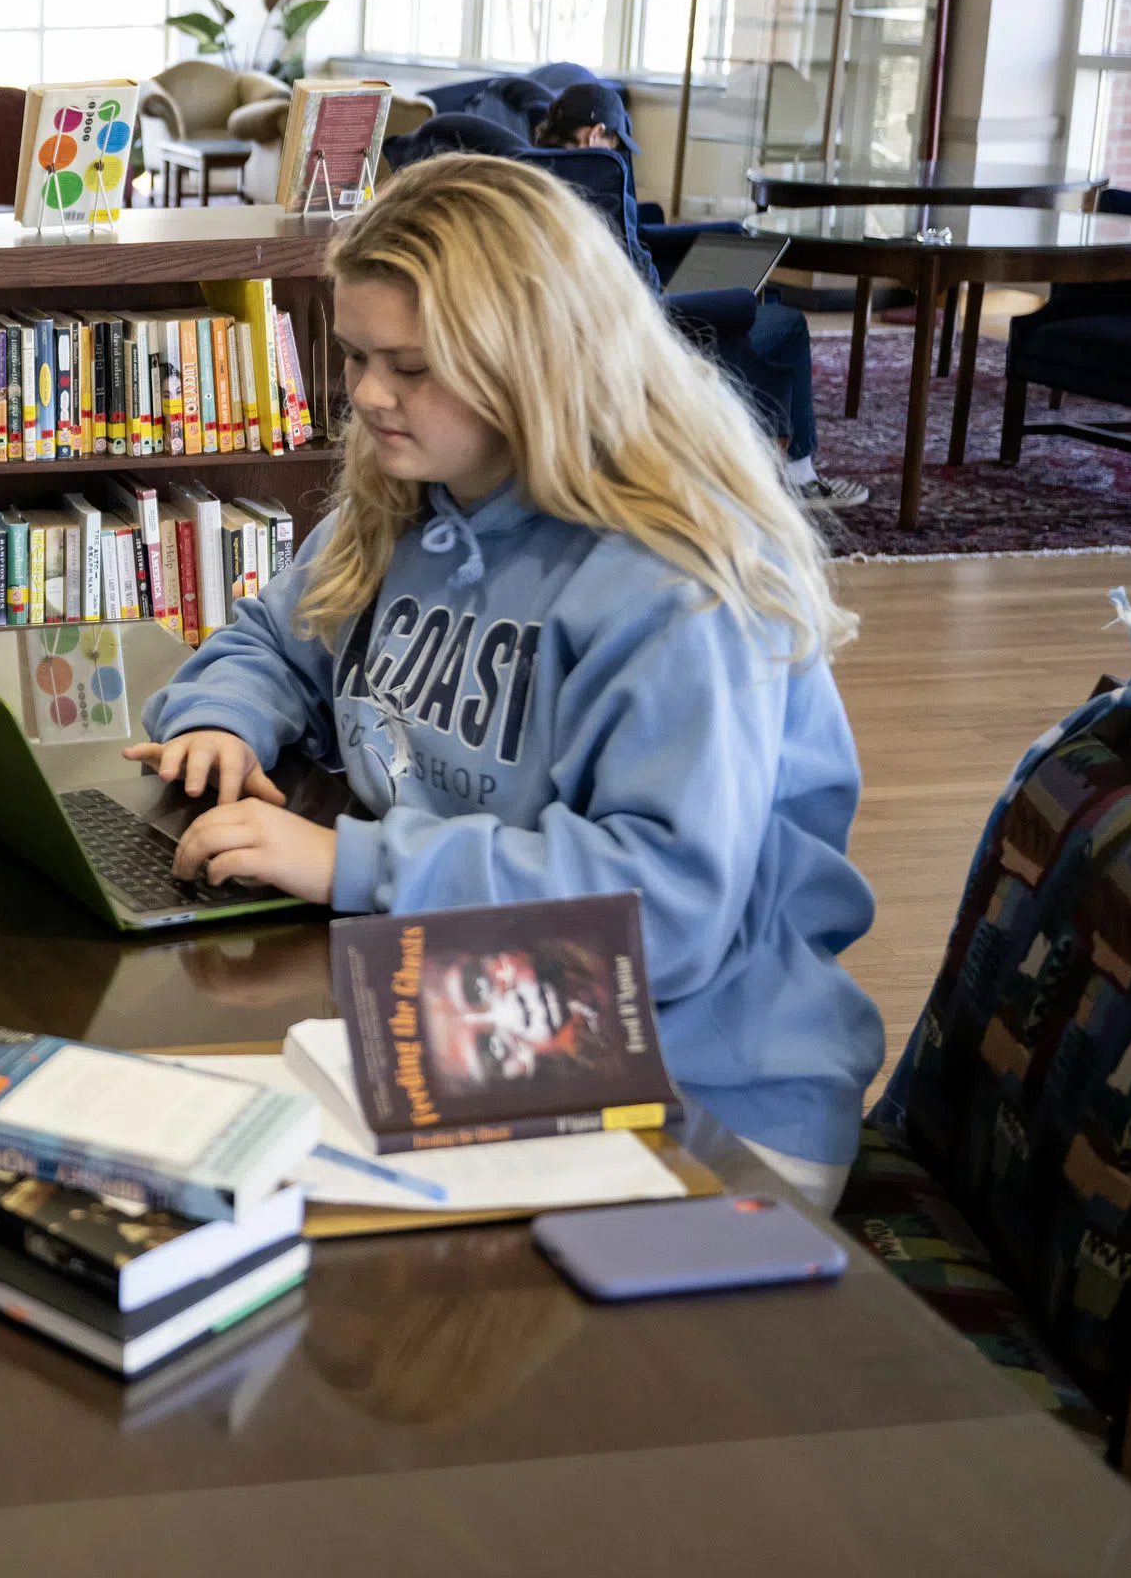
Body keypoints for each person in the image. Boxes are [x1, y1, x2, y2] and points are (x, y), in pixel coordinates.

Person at [128, 156, 882, 1210]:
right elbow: (273, 631)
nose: (367, 395)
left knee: (274, 1215)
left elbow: (660, 913)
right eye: (353, 353)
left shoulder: (679, 575)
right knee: (186, 1147)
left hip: (704, 1089)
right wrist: (225, 715)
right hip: (481, 1005)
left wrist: (358, 863)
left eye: (411, 365)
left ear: (537, 361)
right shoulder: (411, 493)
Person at [530, 83, 867, 512]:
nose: (617, 152)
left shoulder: (532, 176)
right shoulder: (601, 176)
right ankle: (799, 479)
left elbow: (630, 248)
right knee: (786, 323)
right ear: (597, 134)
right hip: (652, 328)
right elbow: (642, 292)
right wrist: (729, 300)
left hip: (583, 323)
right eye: (615, 141)